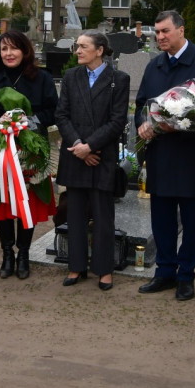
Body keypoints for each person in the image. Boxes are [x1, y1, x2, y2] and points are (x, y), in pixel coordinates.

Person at [135, 9, 195, 301]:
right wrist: (143, 123)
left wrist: (177, 125)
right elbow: (140, 104)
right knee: (161, 217)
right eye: (156, 32)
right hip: (159, 153)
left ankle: (186, 275)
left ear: (181, 30)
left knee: (191, 218)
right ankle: (164, 271)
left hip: (189, 154)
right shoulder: (154, 66)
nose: (159, 37)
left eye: (165, 31)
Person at [0, 30, 58, 280]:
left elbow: (54, 111)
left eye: (14, 48)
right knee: (2, 204)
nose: (9, 54)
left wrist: (27, 121)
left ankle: (23, 254)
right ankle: (7, 253)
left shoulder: (41, 78)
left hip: (30, 151)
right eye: (3, 49)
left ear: (25, 50)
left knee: (26, 203)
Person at [55, 30, 130, 291]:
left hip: (102, 157)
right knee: (74, 214)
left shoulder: (118, 79)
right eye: (77, 46)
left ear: (99, 50)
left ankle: (104, 269)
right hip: (76, 155)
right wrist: (78, 146)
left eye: (83, 47)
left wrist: (91, 146)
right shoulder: (70, 76)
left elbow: (118, 120)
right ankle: (76, 266)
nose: (77, 51)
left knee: (102, 215)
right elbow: (62, 115)